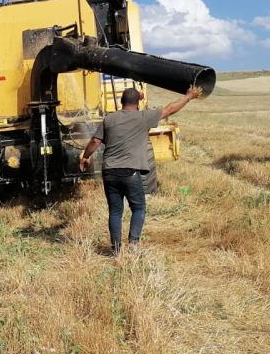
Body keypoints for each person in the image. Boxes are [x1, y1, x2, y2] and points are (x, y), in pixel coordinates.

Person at [79, 86, 202, 253]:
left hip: (109, 172)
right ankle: (133, 244)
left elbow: (95, 141)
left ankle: (116, 249)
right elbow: (170, 108)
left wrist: (85, 156)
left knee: (115, 211)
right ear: (137, 103)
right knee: (138, 208)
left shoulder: (109, 119)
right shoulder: (143, 117)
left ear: (121, 102)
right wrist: (188, 96)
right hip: (130, 172)